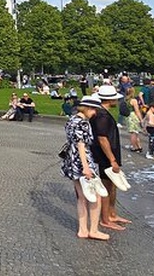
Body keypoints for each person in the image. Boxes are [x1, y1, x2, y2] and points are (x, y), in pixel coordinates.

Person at [61, 96, 109, 241]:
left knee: (81, 197)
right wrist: (86, 167)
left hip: (71, 160)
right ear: (87, 108)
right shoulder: (83, 123)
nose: (94, 113)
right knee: (96, 196)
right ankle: (93, 230)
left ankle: (83, 229)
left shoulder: (71, 120)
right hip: (83, 160)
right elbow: (81, 145)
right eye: (93, 109)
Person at [89, 84, 130, 231]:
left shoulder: (101, 113)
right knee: (106, 187)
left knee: (112, 185)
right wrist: (112, 159)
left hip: (108, 154)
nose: (117, 101)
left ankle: (111, 214)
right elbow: (102, 139)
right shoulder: (102, 115)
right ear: (110, 100)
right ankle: (105, 219)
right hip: (105, 156)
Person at [125, 88, 145, 153]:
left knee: (134, 132)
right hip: (133, 116)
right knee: (134, 133)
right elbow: (137, 111)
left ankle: (138, 146)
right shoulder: (134, 100)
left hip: (128, 116)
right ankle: (135, 147)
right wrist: (141, 119)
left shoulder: (126, 99)